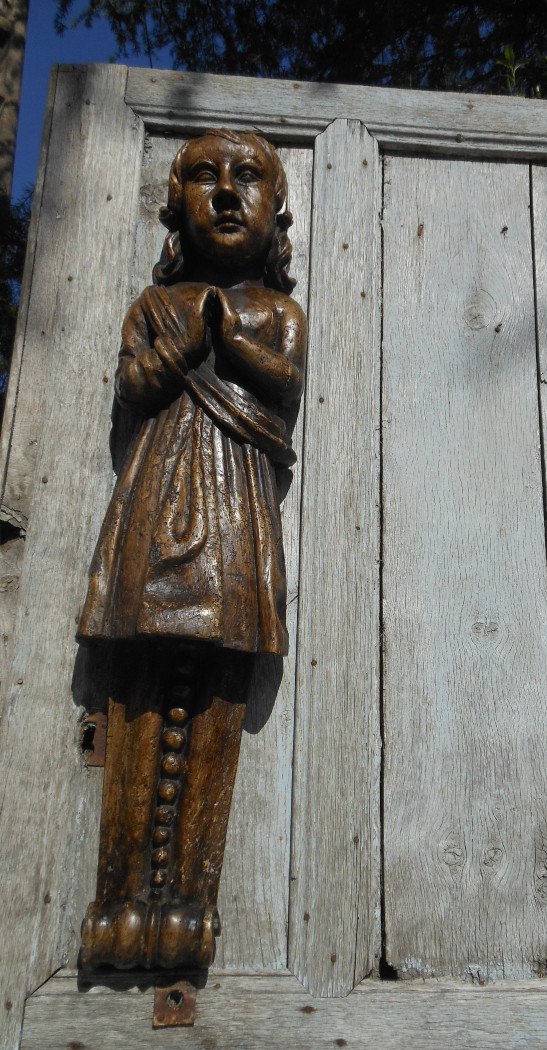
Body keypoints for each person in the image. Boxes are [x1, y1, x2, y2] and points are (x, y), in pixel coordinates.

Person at [78, 130, 306, 970]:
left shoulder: (280, 311)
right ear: (179, 203)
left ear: (274, 208)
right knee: (139, 683)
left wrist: (227, 333)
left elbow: (283, 381)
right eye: (204, 176)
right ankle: (121, 892)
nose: (224, 192)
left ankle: (187, 898)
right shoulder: (154, 304)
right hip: (160, 489)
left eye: (247, 177)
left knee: (217, 682)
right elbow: (135, 382)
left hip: (236, 502)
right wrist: (188, 337)